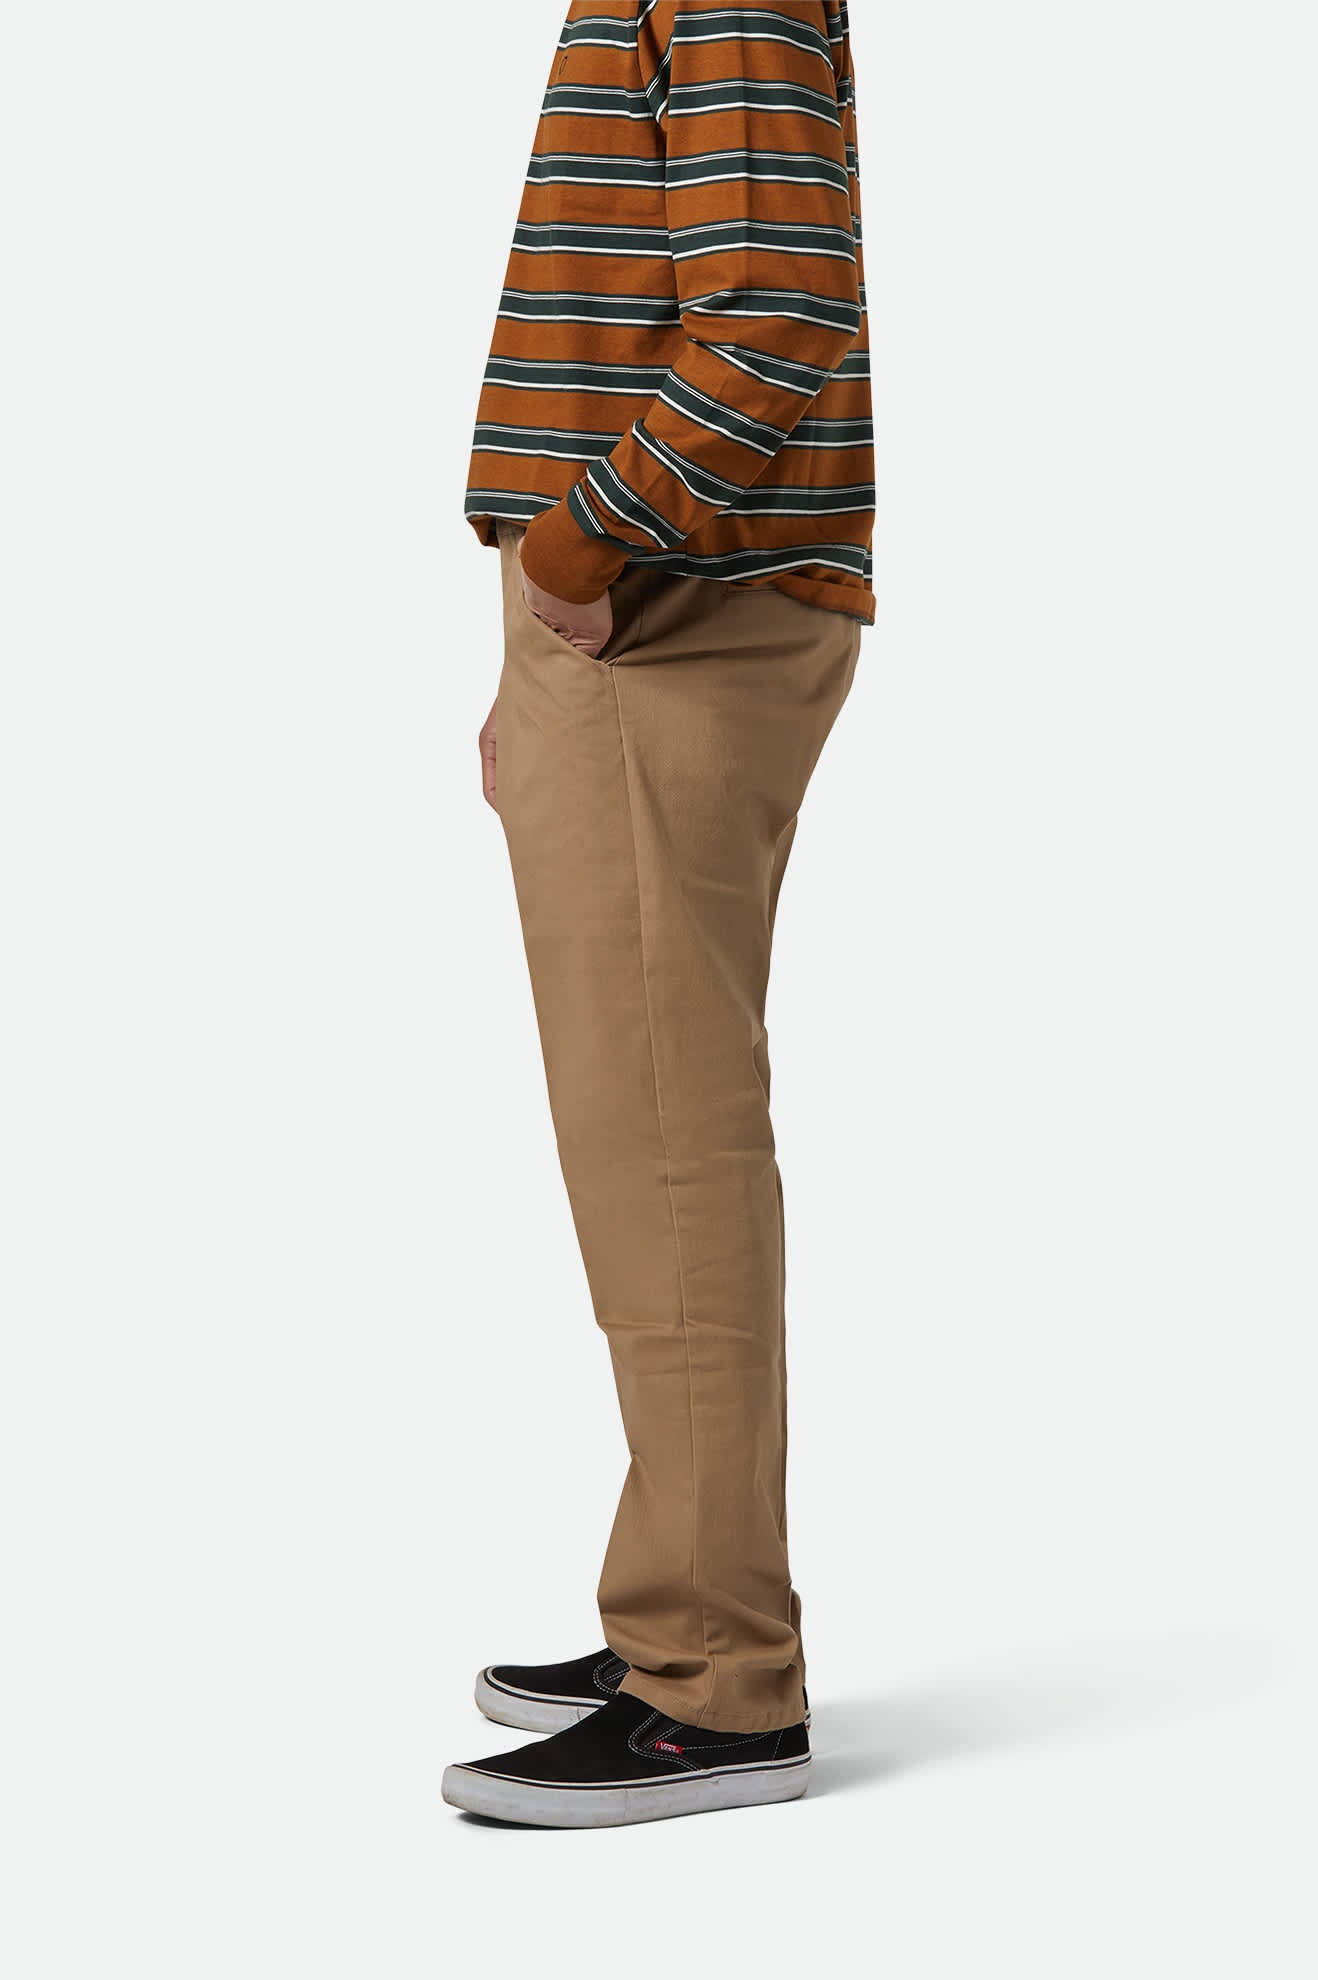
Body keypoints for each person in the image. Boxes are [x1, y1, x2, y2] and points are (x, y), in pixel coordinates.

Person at [444, 0, 874, 1828]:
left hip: (670, 608)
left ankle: (715, 1678)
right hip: (645, 618)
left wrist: (571, 550)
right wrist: (536, 634)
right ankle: (675, 1621)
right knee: (649, 1141)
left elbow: (772, 307)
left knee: (665, 1150)